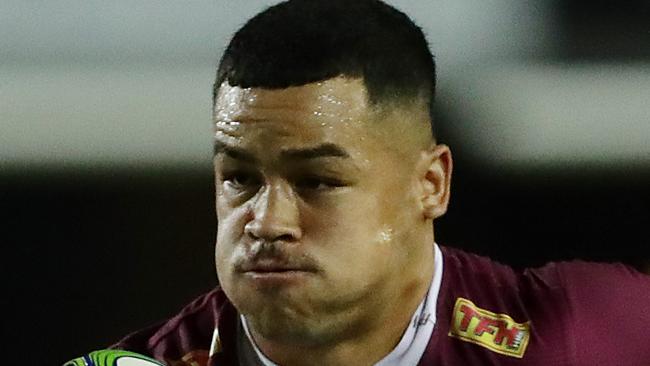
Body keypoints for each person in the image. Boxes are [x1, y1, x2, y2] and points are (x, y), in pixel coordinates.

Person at [70, 0, 650, 365]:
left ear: (431, 185)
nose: (267, 222)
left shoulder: (573, 335)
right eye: (240, 178)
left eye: (318, 181)